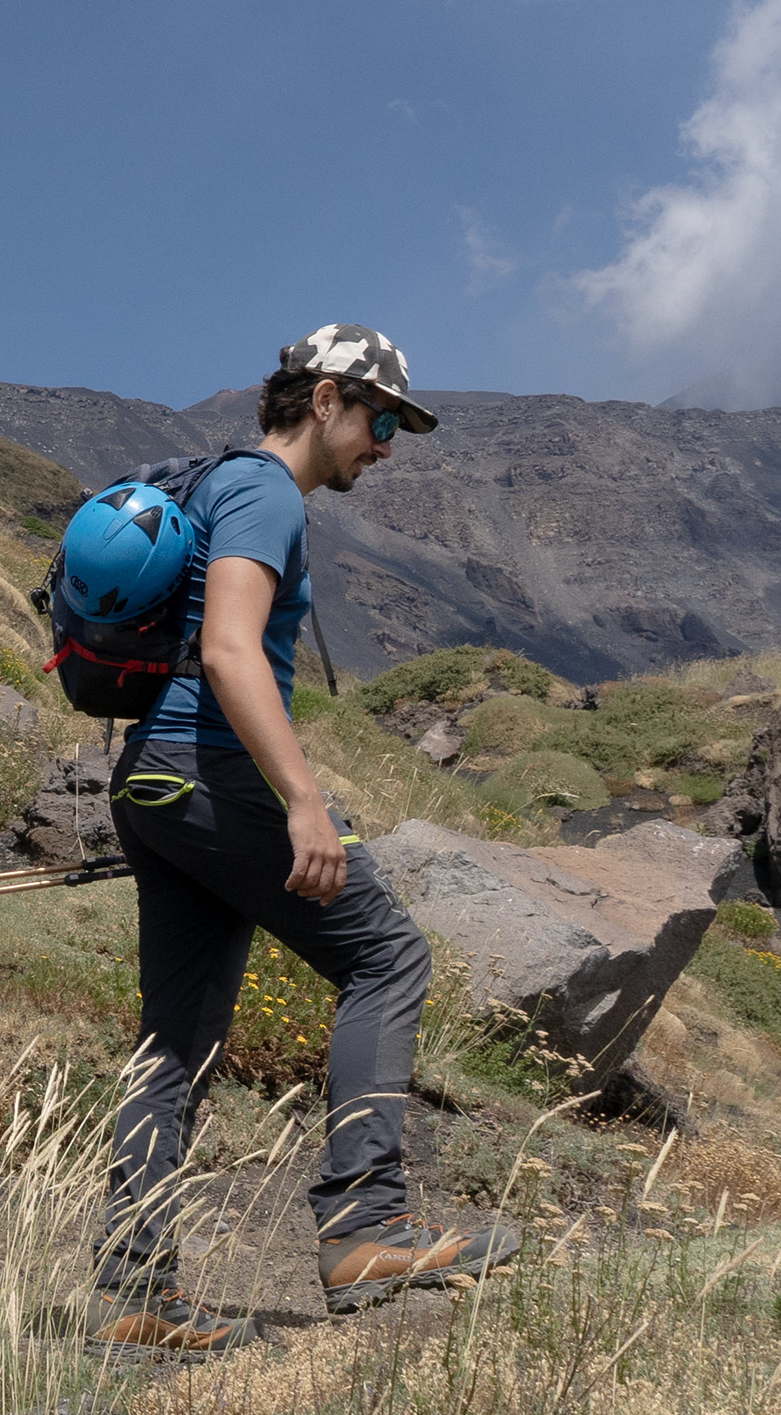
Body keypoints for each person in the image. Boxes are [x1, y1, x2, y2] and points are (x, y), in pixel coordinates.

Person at [97, 328, 522, 1347]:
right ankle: (363, 1225)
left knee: (179, 1038)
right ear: (327, 399)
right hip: (217, 771)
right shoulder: (264, 492)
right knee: (387, 955)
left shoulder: (207, 485)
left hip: (154, 775)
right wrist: (301, 800)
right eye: (381, 421)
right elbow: (229, 646)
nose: (386, 446)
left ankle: (135, 1289)